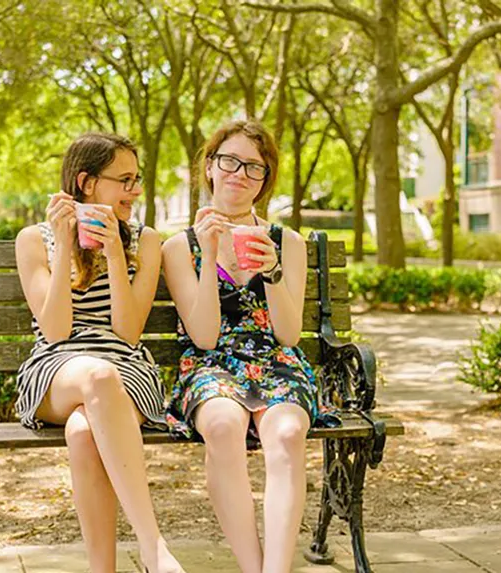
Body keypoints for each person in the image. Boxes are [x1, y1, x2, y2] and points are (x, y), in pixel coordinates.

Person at [162, 120, 337, 573]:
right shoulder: (179, 247)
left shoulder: (287, 242)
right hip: (209, 363)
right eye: (230, 161)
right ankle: (252, 565)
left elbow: (288, 336)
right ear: (210, 167)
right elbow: (202, 336)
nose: (240, 174)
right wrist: (208, 255)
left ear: (265, 180)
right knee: (221, 426)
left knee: (287, 433)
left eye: (254, 167)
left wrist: (274, 271)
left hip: (275, 359)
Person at [14, 133, 184, 573]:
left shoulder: (145, 241)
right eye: (125, 180)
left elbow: (128, 333)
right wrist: (65, 241)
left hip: (126, 368)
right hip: (56, 370)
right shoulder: (34, 239)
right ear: (87, 182)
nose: (136, 190)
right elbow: (54, 331)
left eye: (137, 179)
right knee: (97, 377)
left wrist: (113, 252)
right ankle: (154, 548)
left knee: (83, 432)